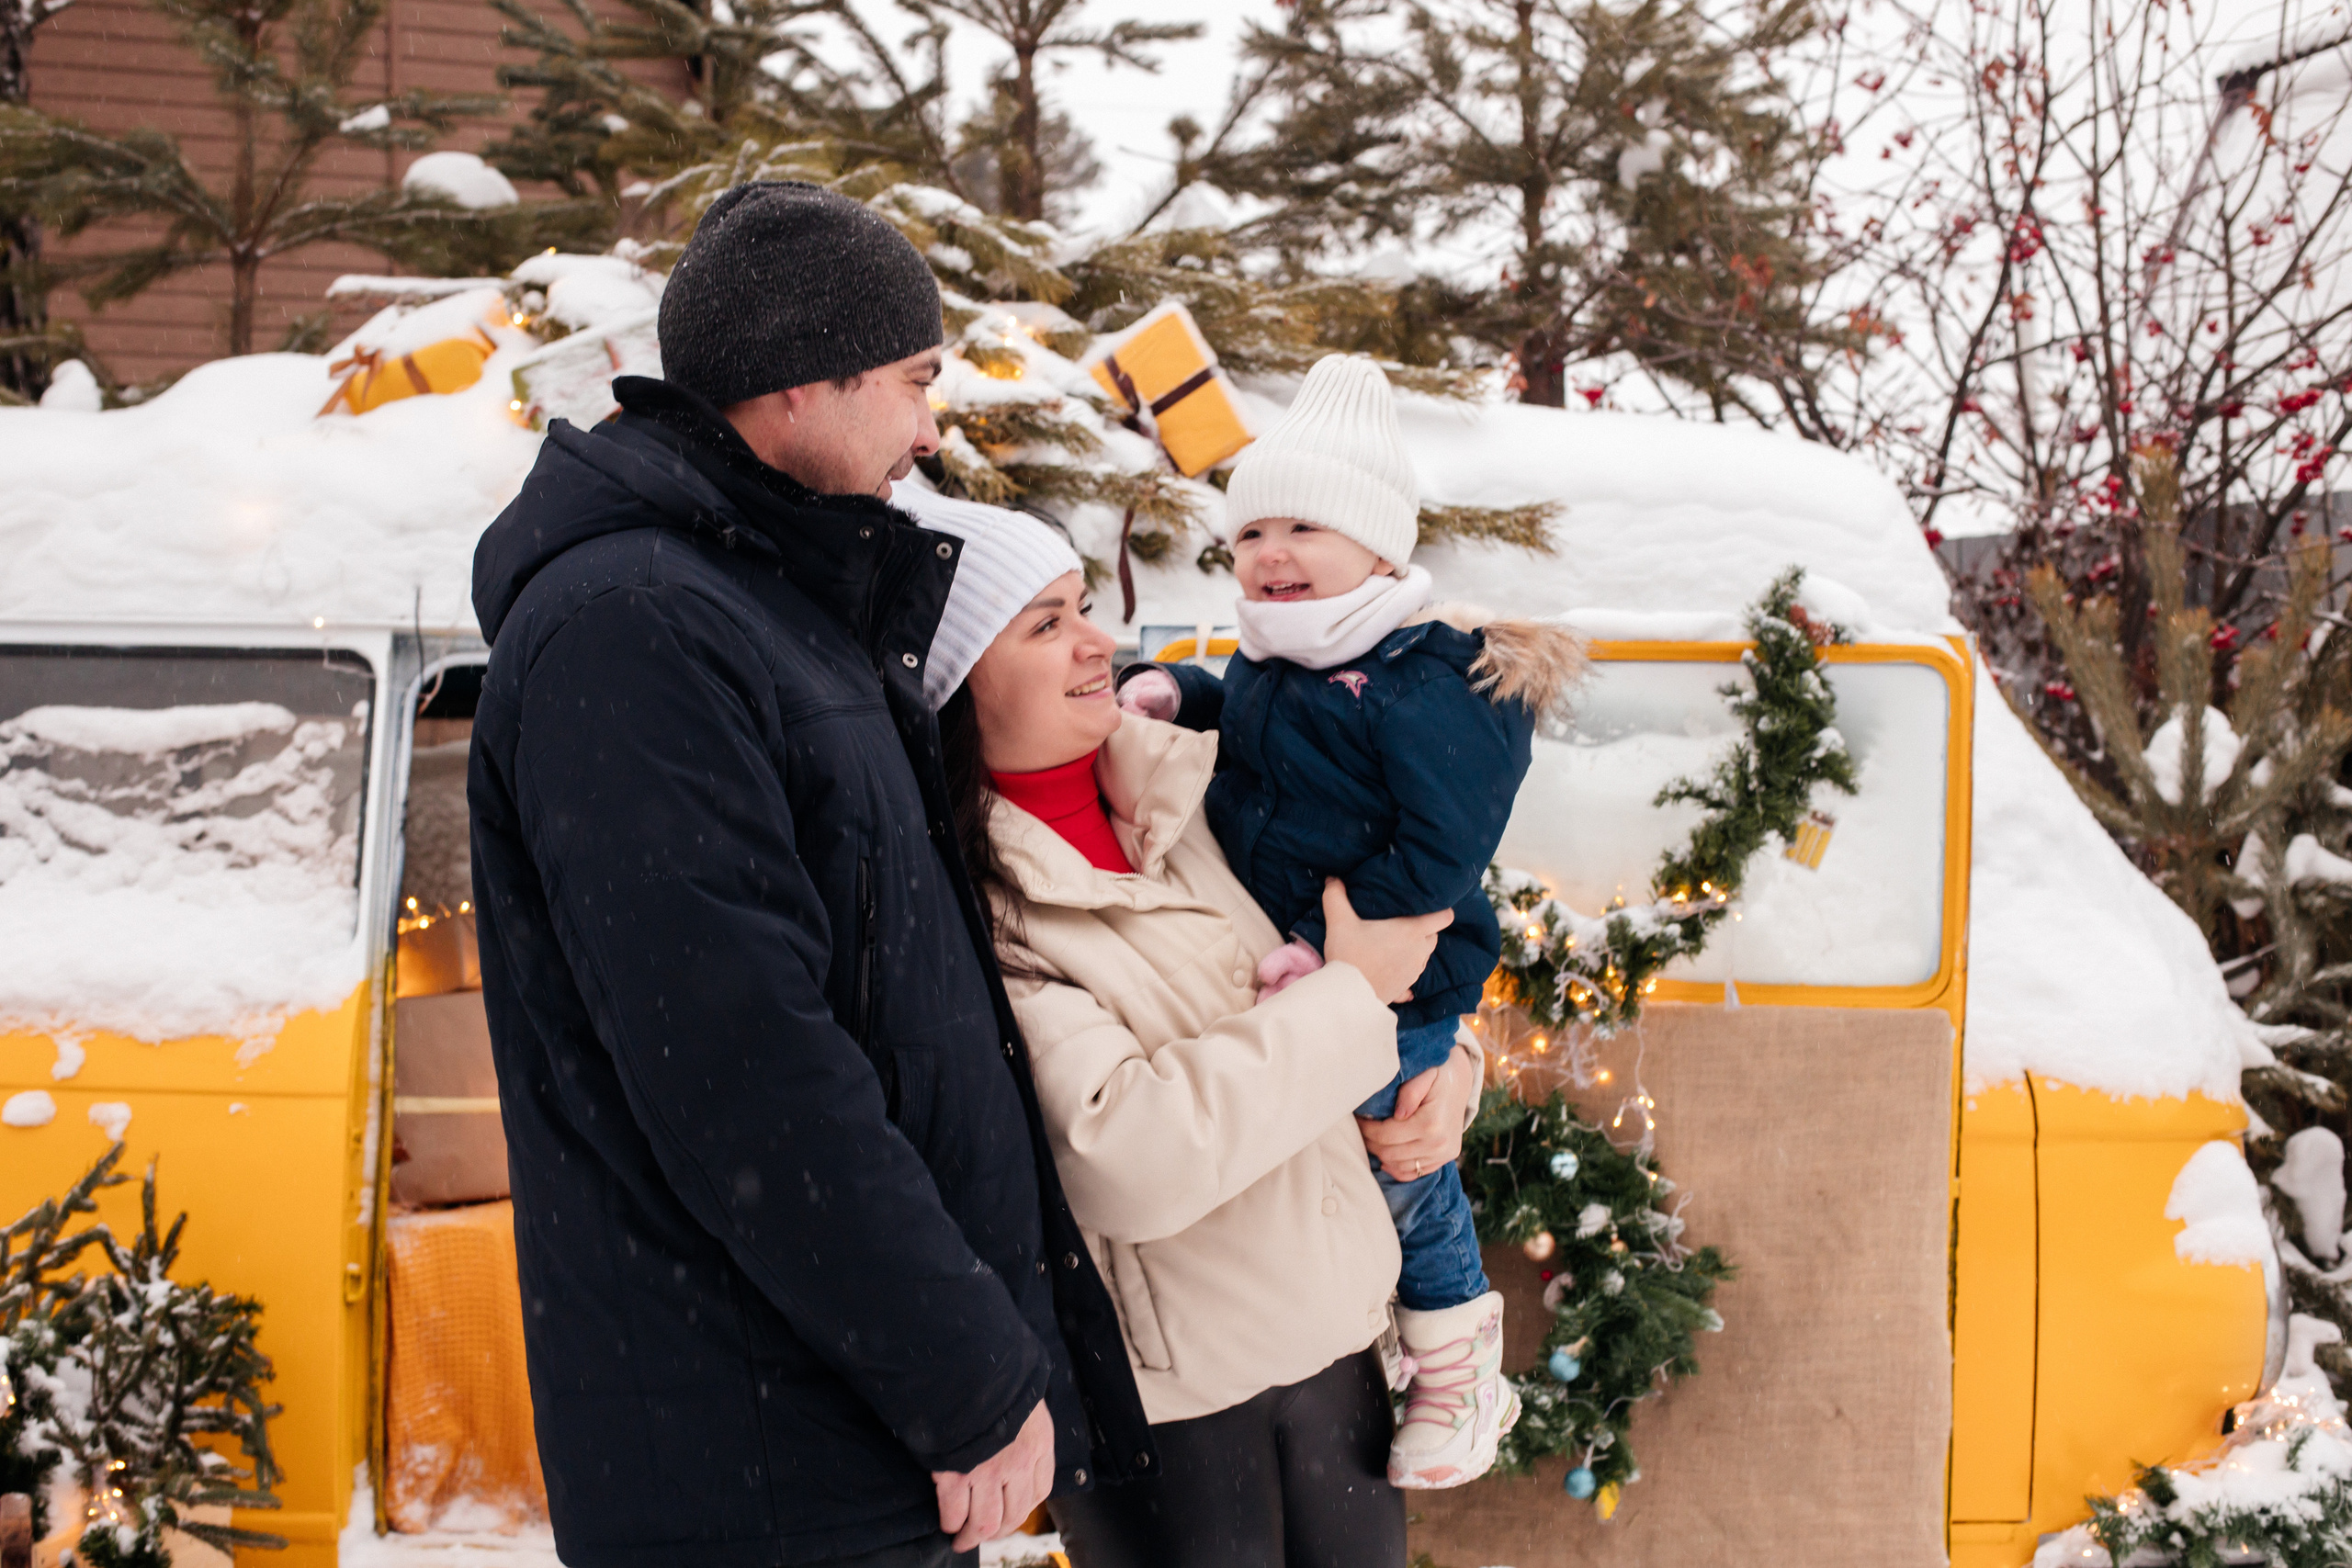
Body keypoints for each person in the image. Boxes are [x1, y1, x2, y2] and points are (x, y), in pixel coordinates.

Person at [465, 181, 1150, 1568]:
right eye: (912, 381)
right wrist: (963, 1373)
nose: (930, 426)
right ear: (796, 383)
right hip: (759, 1450)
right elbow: (744, 1066)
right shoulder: (639, 630)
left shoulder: (762, 603)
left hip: (829, 1426)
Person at [910, 492, 1483, 1567]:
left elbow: (1382, 952)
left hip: (1338, 1350)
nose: (1098, 642)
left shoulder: (1207, 780)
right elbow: (1132, 1155)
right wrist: (1353, 1004)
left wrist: (1449, 1069)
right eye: (1045, 625)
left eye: (1084, 606)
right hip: (1168, 1412)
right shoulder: (973, 909)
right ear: (955, 683)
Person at [1117, 355, 1585, 1488]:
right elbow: (1275, 740)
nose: (1269, 554)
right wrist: (1191, 697)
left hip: (1401, 976)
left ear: (1381, 550)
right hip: (1310, 972)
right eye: (1248, 534)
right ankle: (1388, 1320)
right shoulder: (1293, 657)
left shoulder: (1429, 684)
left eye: (1303, 529)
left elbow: (1442, 852)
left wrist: (1334, 954)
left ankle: (1454, 1346)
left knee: (1391, 1145)